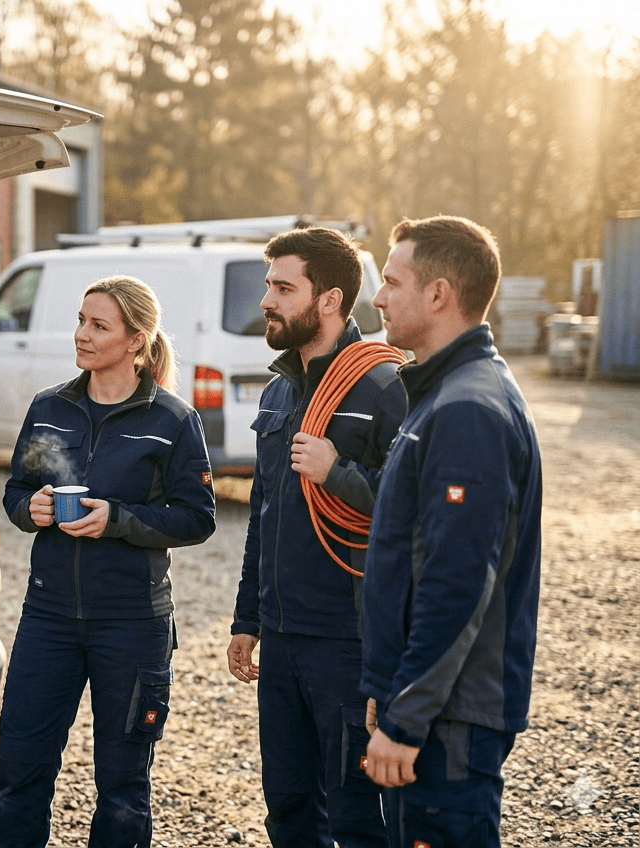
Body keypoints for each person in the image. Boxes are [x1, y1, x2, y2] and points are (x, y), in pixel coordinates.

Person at [0, 275, 216, 848]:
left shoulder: (173, 421)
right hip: (49, 617)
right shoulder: (48, 409)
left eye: (98, 325)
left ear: (136, 340)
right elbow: (17, 490)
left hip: (133, 622)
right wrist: (29, 507)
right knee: (20, 771)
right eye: (81, 321)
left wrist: (117, 519)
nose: (81, 335)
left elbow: (197, 517)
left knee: (123, 786)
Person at [361, 216, 542, 848]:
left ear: (438, 294)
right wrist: (387, 691)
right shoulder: (447, 394)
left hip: (449, 718)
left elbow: (457, 582)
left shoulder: (468, 408)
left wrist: (405, 718)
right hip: (433, 708)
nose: (378, 297)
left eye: (391, 280)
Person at [227, 227, 407, 847]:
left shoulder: (386, 387)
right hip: (281, 635)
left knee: (355, 812)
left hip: (346, 639)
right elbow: (264, 510)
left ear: (329, 300)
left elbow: (417, 514)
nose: (266, 301)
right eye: (267, 285)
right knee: (289, 807)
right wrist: (247, 618)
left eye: (282, 287)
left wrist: (340, 474)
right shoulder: (280, 389)